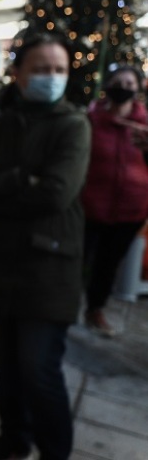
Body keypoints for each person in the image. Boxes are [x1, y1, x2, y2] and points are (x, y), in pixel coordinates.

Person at [0, 32, 89, 460]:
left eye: (59, 69)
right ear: (18, 73)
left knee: (38, 368)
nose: (52, 77)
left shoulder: (73, 126)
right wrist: (20, 180)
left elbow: (55, 194)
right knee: (6, 364)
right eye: (41, 69)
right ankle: (14, 438)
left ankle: (54, 451)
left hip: (48, 268)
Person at [80, 65, 148, 337]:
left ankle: (95, 309)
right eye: (118, 82)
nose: (123, 88)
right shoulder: (91, 120)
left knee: (108, 265)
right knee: (79, 258)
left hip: (130, 210)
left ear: (138, 88)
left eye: (129, 83)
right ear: (107, 86)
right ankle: (63, 306)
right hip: (90, 205)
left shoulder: (145, 124)